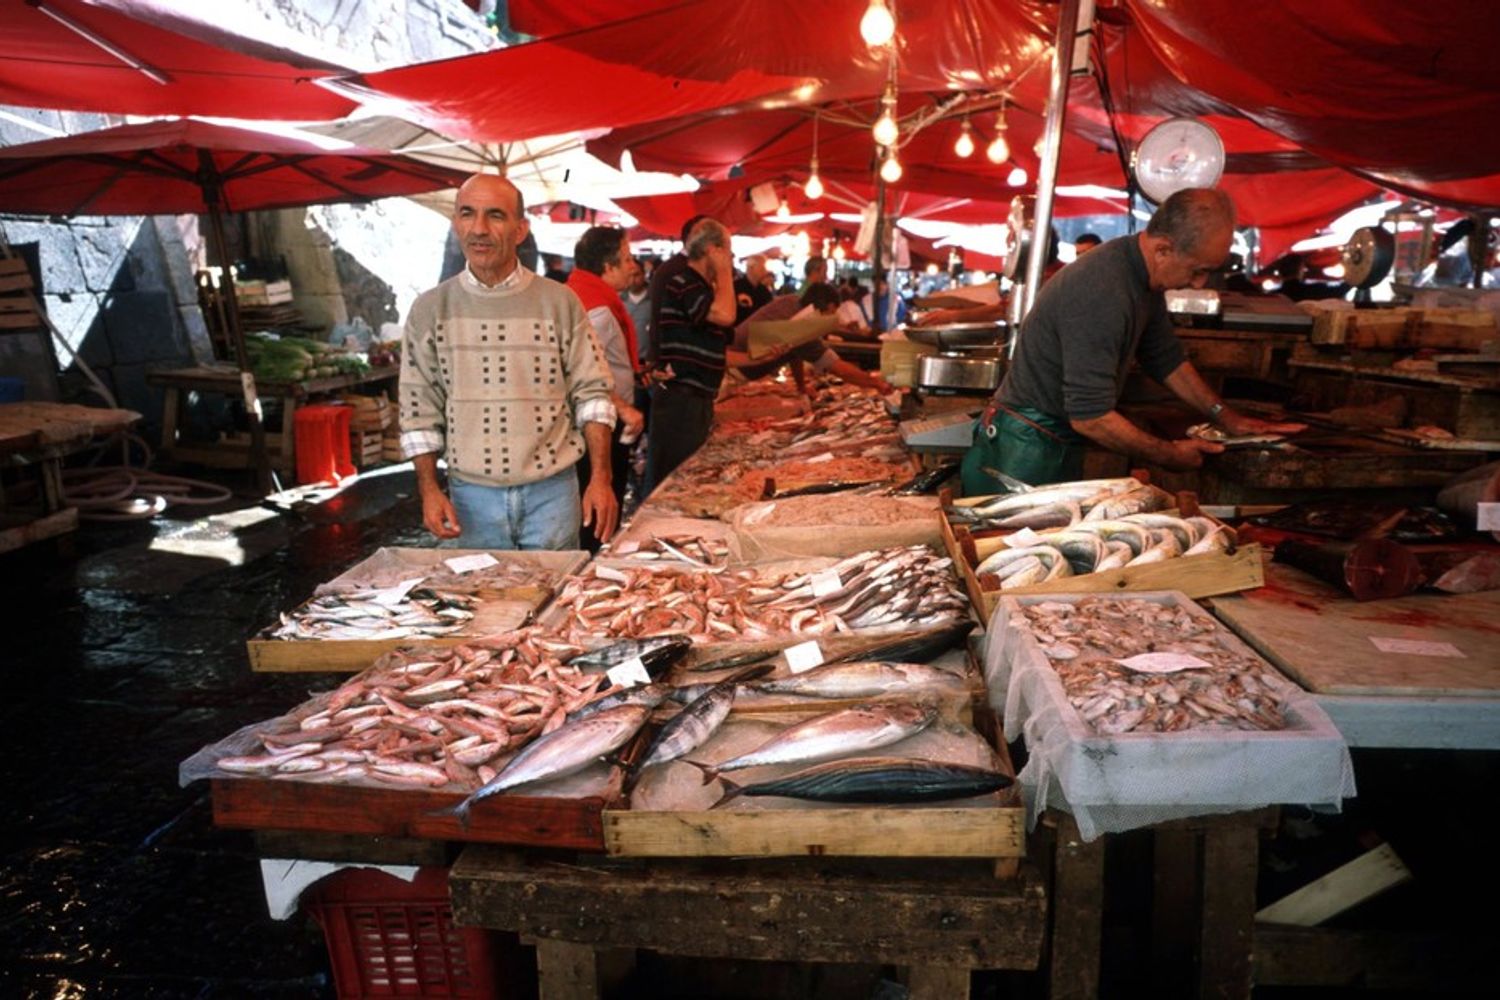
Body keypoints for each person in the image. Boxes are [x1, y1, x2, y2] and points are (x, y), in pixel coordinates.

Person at [960, 188, 1306, 492]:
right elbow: (1091, 417)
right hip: (1023, 448)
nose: (1199, 283)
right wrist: (1169, 454)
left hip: (1049, 440)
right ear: (1162, 250)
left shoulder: (1142, 278)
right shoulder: (1103, 291)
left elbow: (1166, 359)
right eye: (1197, 270)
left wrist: (1225, 416)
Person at [400, 174, 619, 550]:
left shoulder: (560, 302)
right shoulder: (429, 310)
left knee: (556, 598)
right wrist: (429, 490)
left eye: (495, 216)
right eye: (468, 214)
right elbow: (419, 410)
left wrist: (601, 478)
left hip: (553, 495)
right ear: (456, 223)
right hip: (471, 499)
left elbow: (594, 395)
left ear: (520, 230)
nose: (479, 229)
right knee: (486, 604)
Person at [566, 227, 648, 550]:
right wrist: (624, 407)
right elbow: (581, 370)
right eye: (627, 260)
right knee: (598, 505)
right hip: (600, 425)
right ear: (607, 266)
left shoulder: (587, 295)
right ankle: (593, 569)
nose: (633, 267)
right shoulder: (596, 309)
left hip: (606, 419)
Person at [643, 217, 738, 494]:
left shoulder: (697, 285)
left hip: (692, 399)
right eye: (727, 251)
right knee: (672, 482)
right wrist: (724, 273)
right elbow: (726, 315)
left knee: (682, 481)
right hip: (680, 399)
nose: (730, 258)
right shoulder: (683, 280)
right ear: (712, 249)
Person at [730, 283, 895, 394]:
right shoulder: (800, 324)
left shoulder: (792, 302)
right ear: (827, 308)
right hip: (732, 374)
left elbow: (794, 352)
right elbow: (838, 368)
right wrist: (877, 384)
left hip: (732, 366)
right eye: (831, 314)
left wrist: (801, 387)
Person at [734, 253, 775, 323]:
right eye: (762, 268)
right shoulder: (736, 287)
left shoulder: (764, 291)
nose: (765, 271)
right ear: (751, 268)